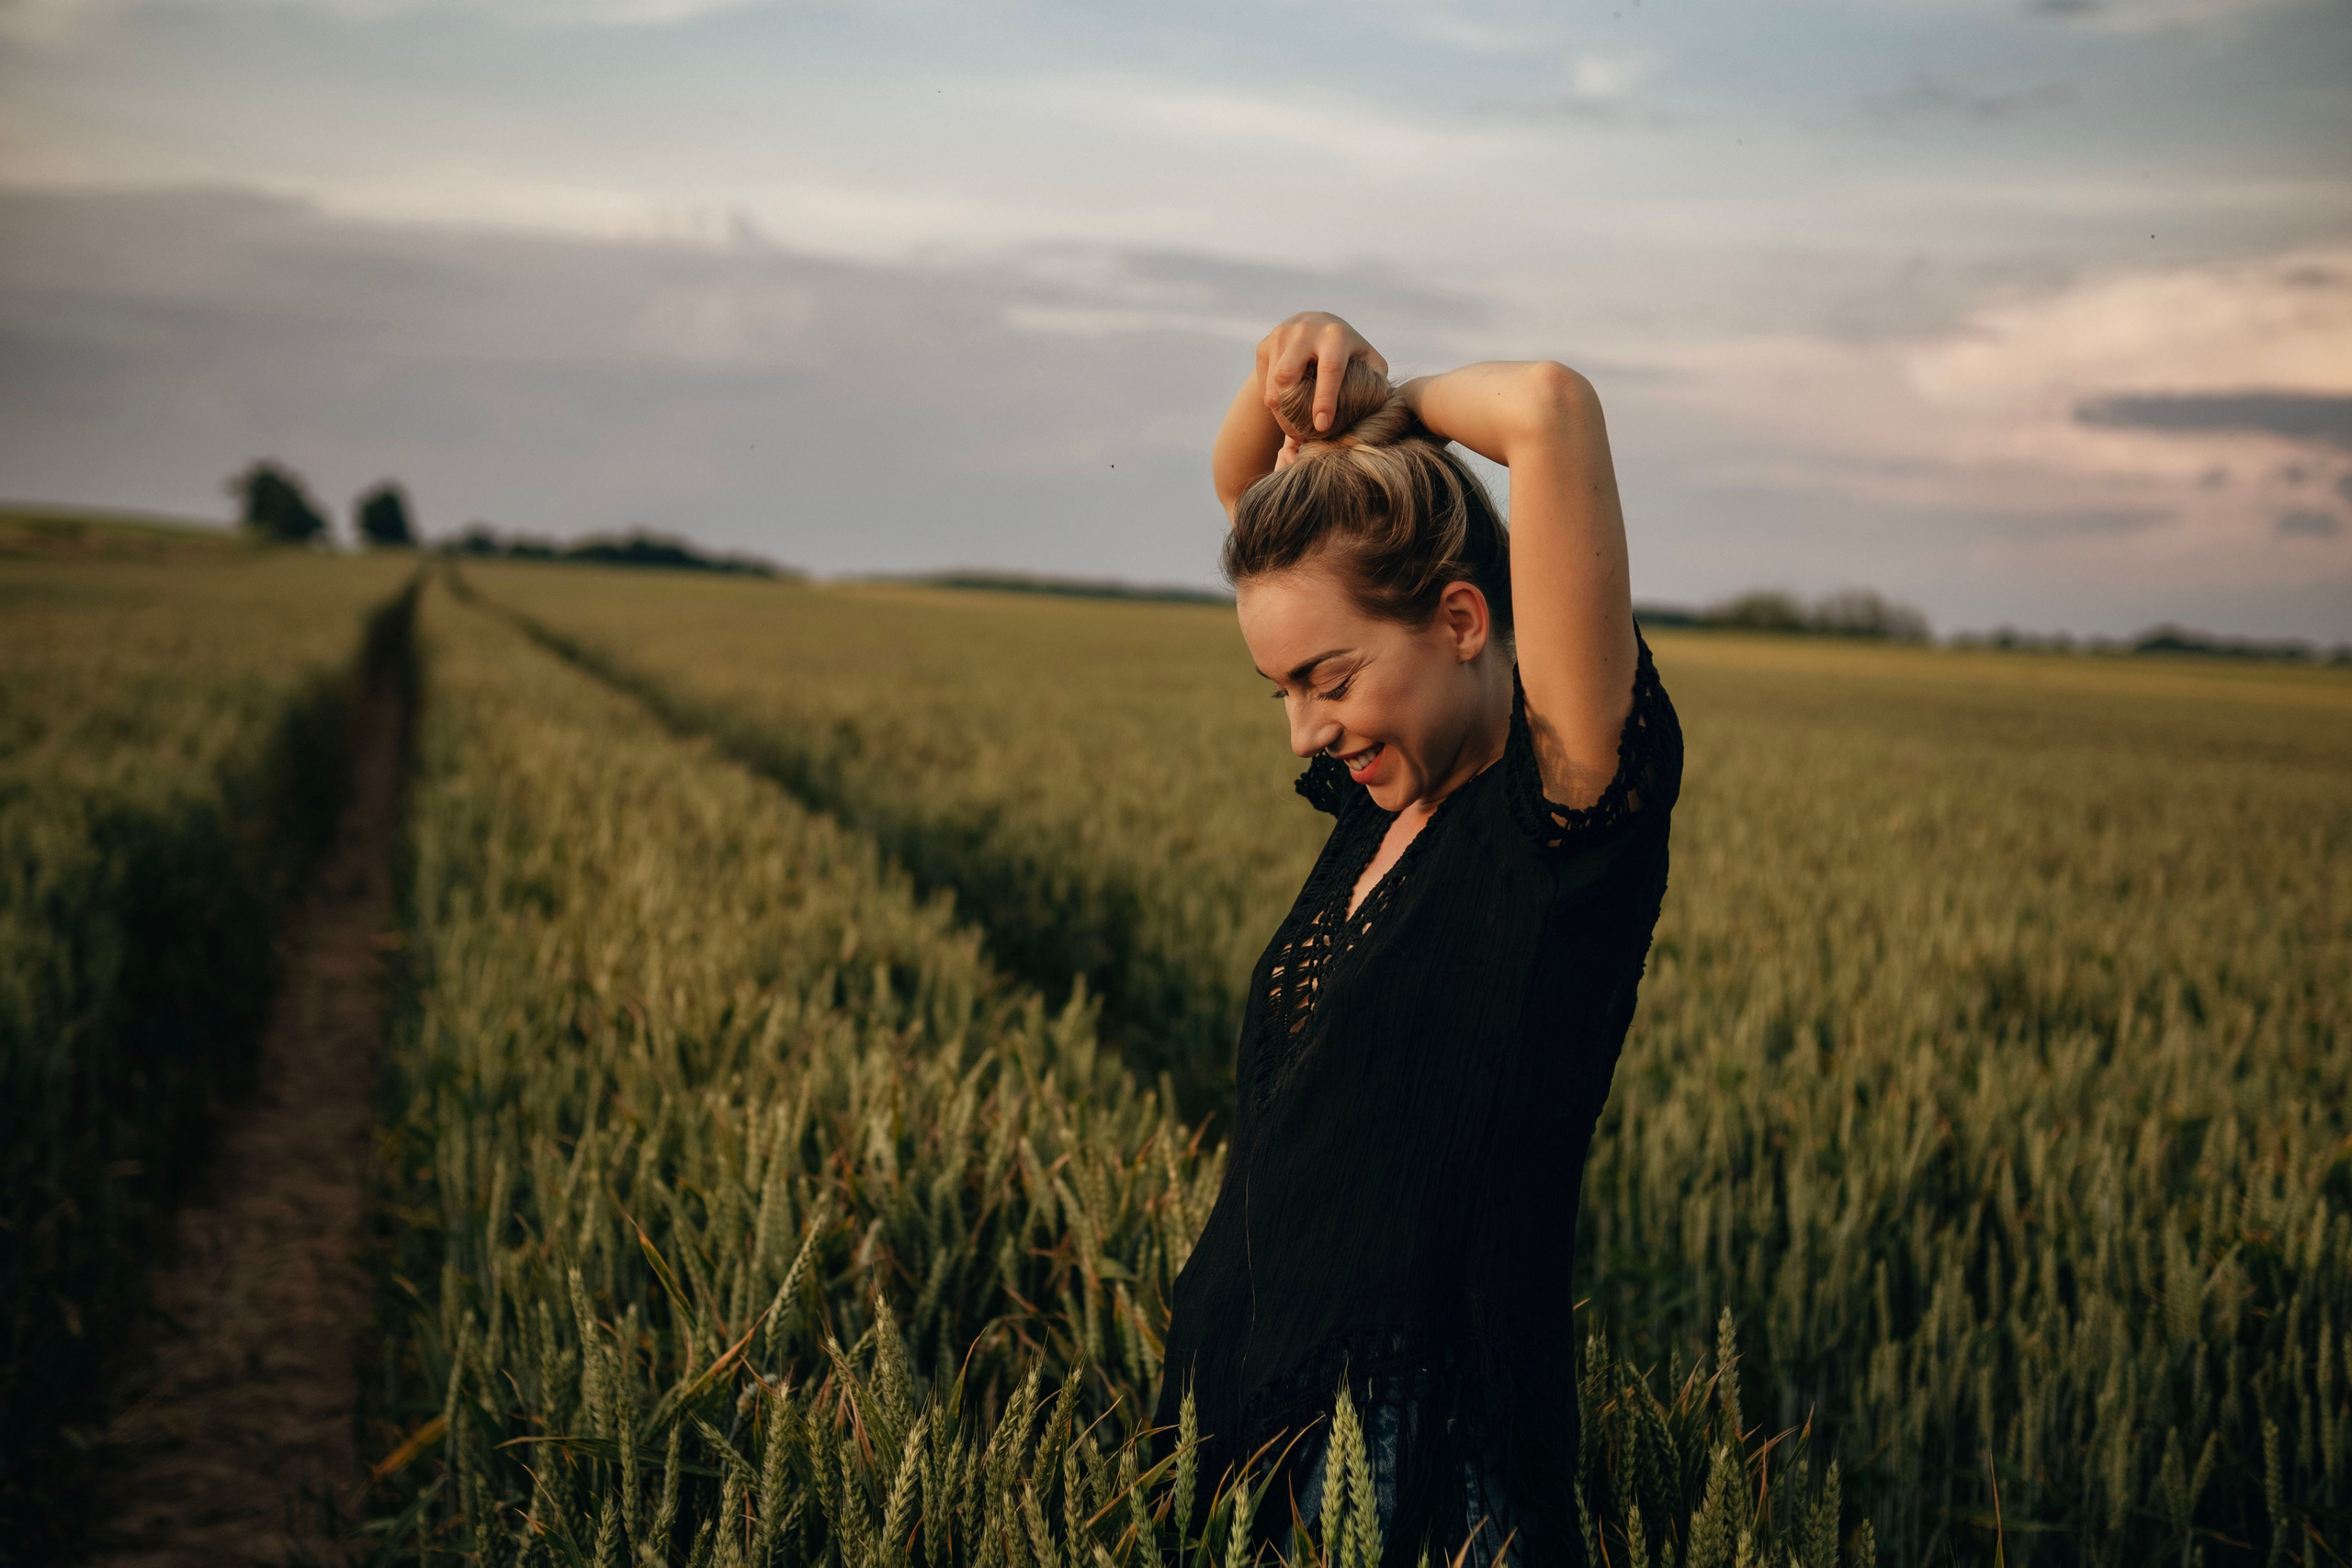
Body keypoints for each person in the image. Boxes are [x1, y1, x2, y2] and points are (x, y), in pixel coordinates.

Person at [1150, 312, 1684, 1567]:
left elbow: (1550, 408)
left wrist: (1406, 401)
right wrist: (1286, 382)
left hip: (1414, 1471)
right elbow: (1251, 493)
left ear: (1459, 618)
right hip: (1236, 1427)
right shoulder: (1390, 792)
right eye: (1282, 693)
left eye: (1328, 683)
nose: (1303, 732)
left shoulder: (1557, 815)